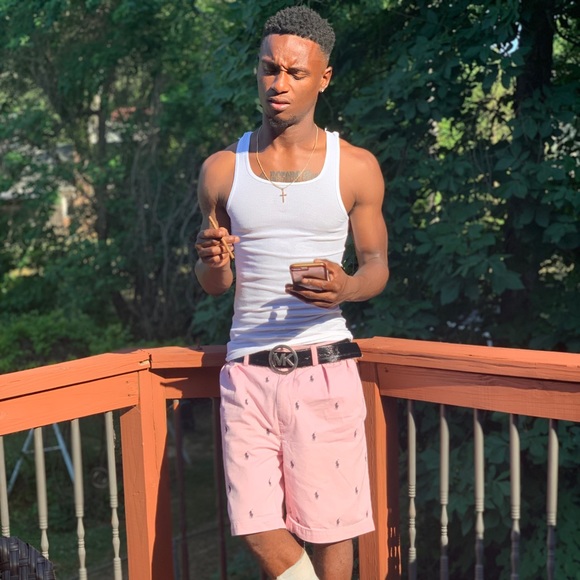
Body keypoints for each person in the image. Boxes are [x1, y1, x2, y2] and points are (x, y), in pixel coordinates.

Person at [194, 6, 389, 579]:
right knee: (255, 525)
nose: (278, 83)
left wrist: (346, 286)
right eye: (269, 68)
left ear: (323, 78)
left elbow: (376, 266)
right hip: (247, 372)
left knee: (332, 528)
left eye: (295, 73)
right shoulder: (222, 170)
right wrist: (212, 262)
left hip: (325, 367)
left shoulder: (355, 167)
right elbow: (215, 285)